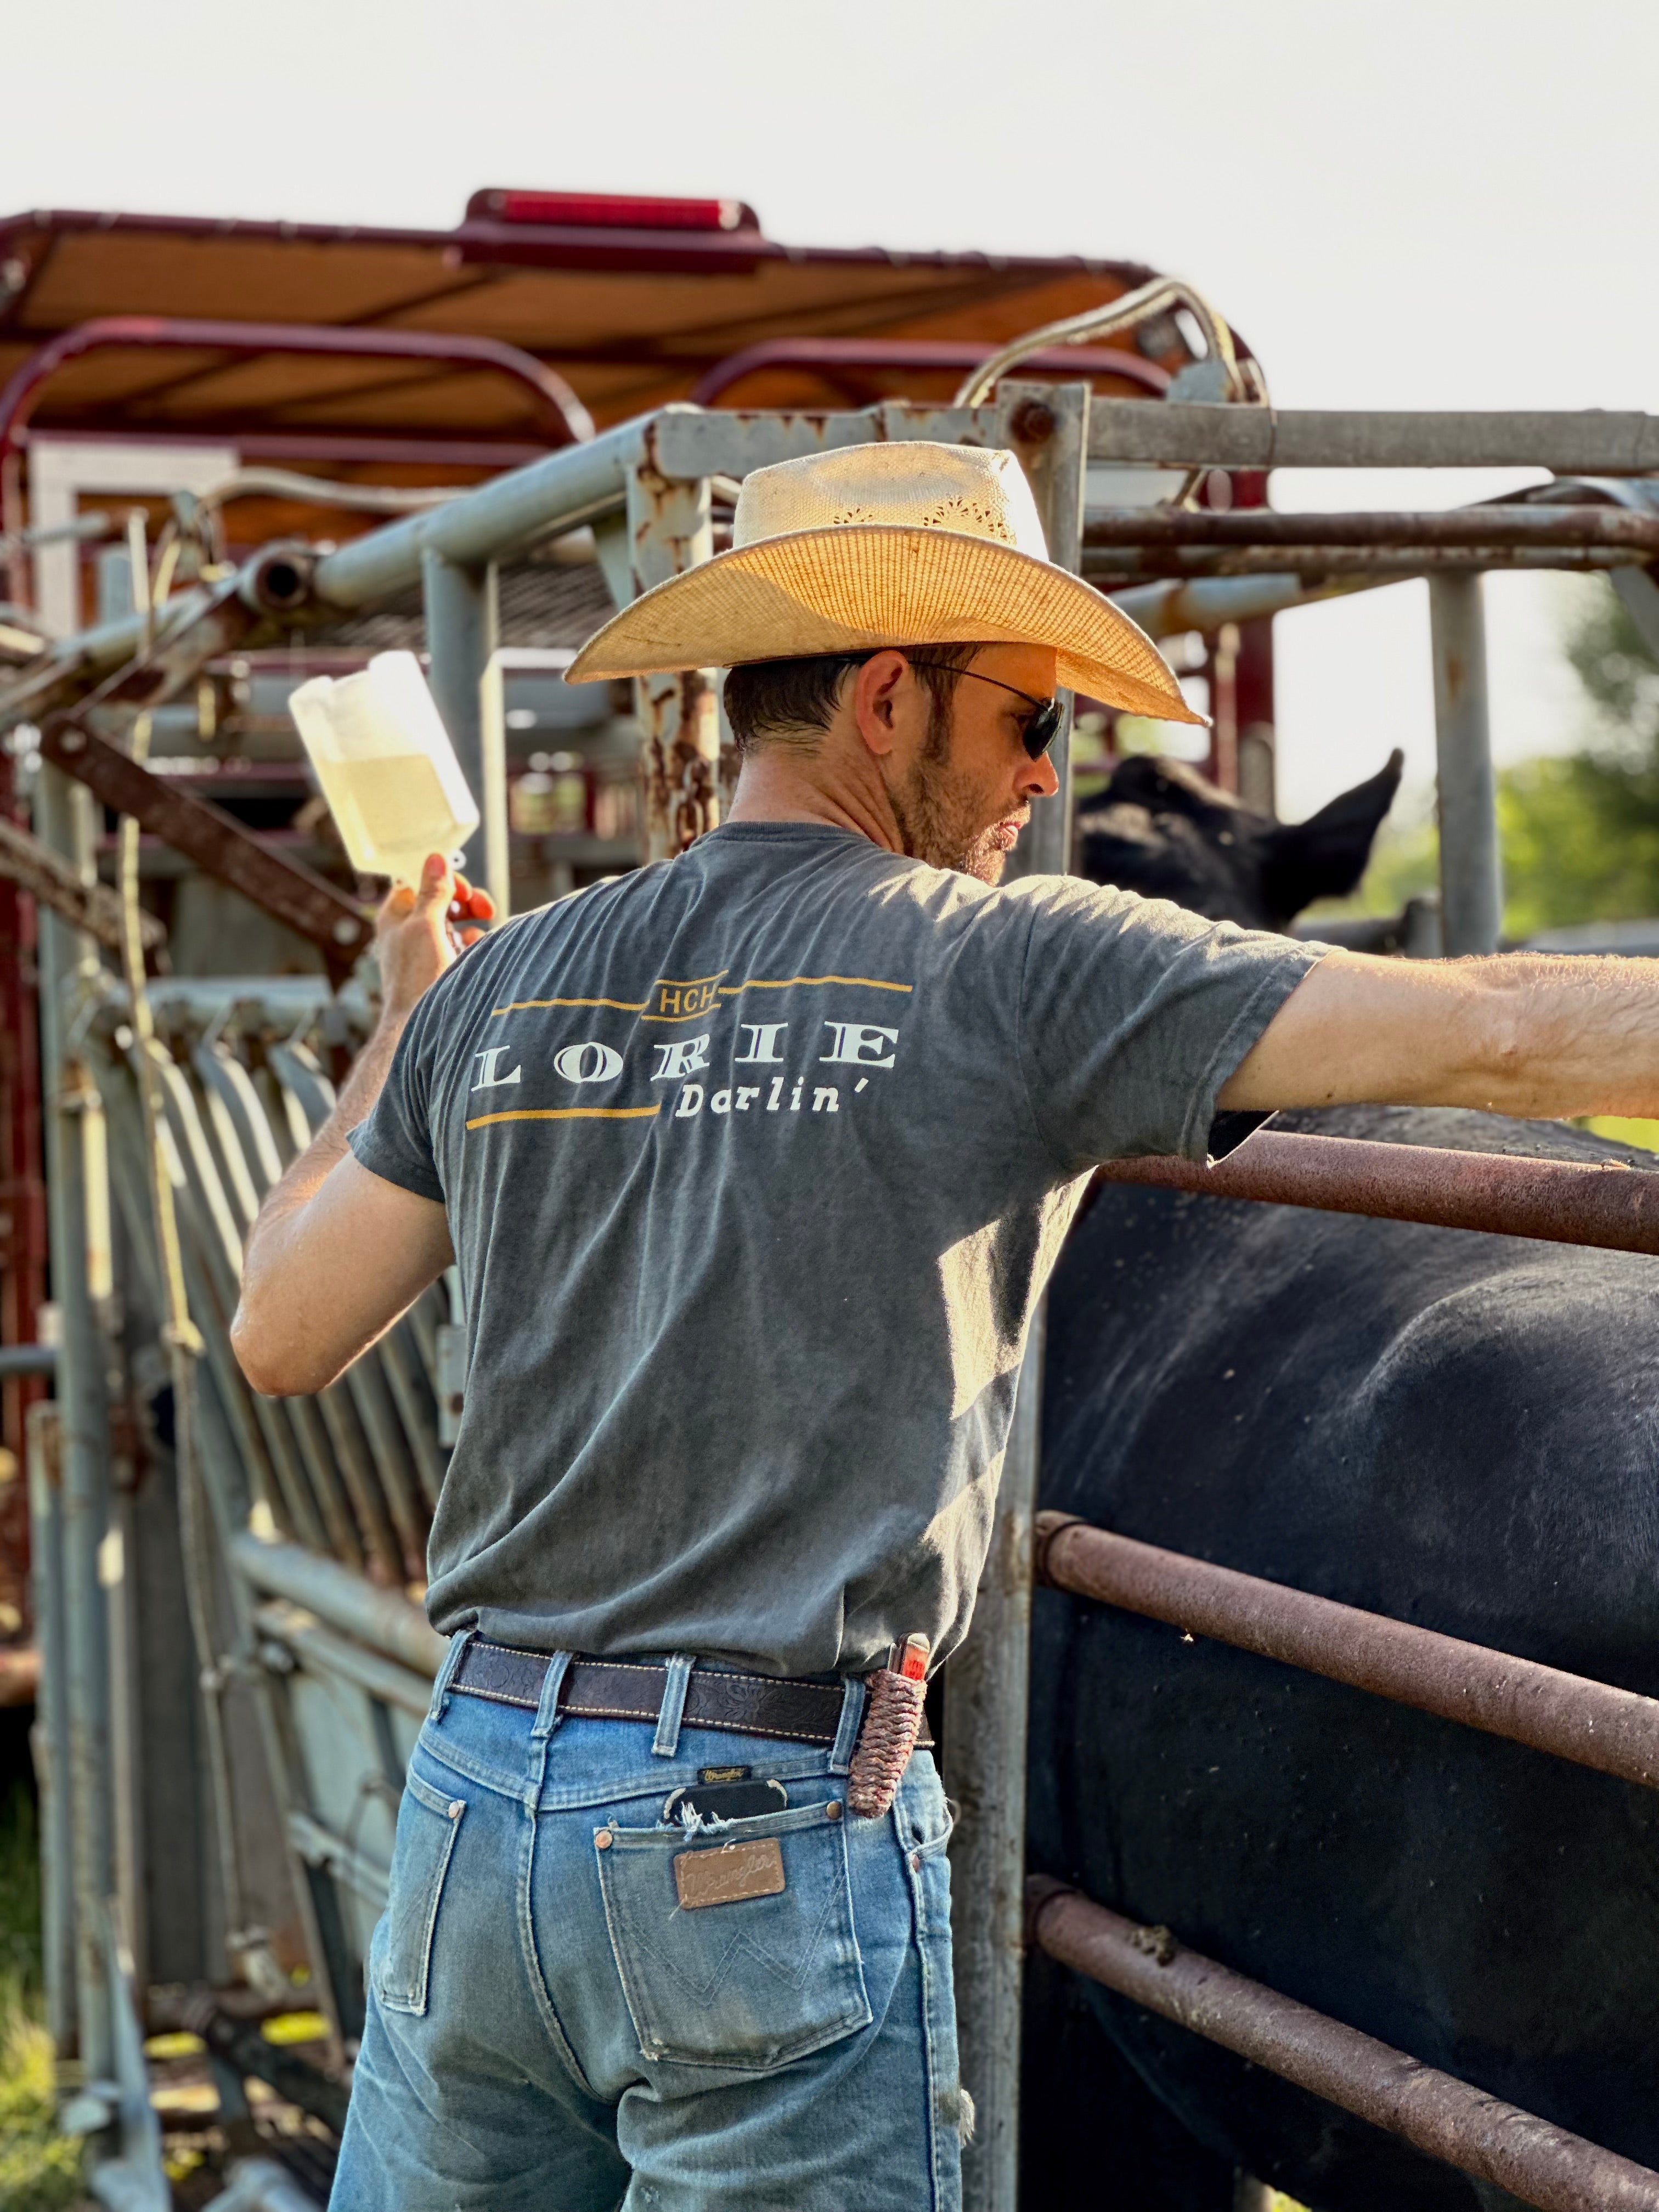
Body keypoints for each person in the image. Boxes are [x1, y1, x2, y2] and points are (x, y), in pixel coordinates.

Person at [234, 441, 1659, 2212]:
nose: (1046, 773)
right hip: (758, 1836)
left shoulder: (511, 983)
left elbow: (280, 1331)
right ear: (890, 697)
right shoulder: (1009, 967)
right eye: (1026, 717)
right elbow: (1503, 1030)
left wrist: (402, 1018)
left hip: (477, 1798)